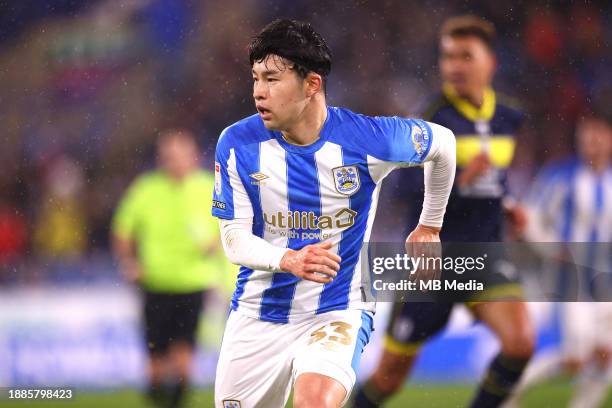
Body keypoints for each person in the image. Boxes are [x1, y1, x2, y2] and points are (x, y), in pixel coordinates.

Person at [212, 19, 456, 408]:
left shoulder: (367, 139)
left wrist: (430, 224)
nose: (259, 91)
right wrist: (288, 259)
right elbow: (233, 239)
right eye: (255, 78)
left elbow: (443, 143)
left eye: (272, 79)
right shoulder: (237, 144)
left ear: (312, 84)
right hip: (258, 315)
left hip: (338, 307)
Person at [354, 15, 534, 408]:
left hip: (486, 256)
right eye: (447, 56)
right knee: (388, 377)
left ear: (491, 63)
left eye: (466, 56)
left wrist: (509, 206)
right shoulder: (430, 119)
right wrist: (458, 182)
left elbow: (496, 179)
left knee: (520, 344)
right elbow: (400, 187)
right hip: (430, 266)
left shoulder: (509, 117)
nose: (454, 66)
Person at [505, 100, 612, 408]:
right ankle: (508, 388)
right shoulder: (561, 177)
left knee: (605, 357)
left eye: (599, 133)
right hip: (570, 280)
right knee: (574, 359)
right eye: (586, 132)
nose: (592, 139)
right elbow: (527, 218)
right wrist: (552, 247)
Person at [112, 130, 221, 408]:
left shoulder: (209, 186)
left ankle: (175, 401)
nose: (177, 162)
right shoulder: (147, 189)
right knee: (156, 363)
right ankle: (158, 395)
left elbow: (229, 226)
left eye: (182, 155)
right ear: (162, 159)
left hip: (193, 283)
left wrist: (215, 243)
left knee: (184, 358)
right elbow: (123, 230)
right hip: (155, 283)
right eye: (171, 156)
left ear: (194, 156)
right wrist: (129, 262)